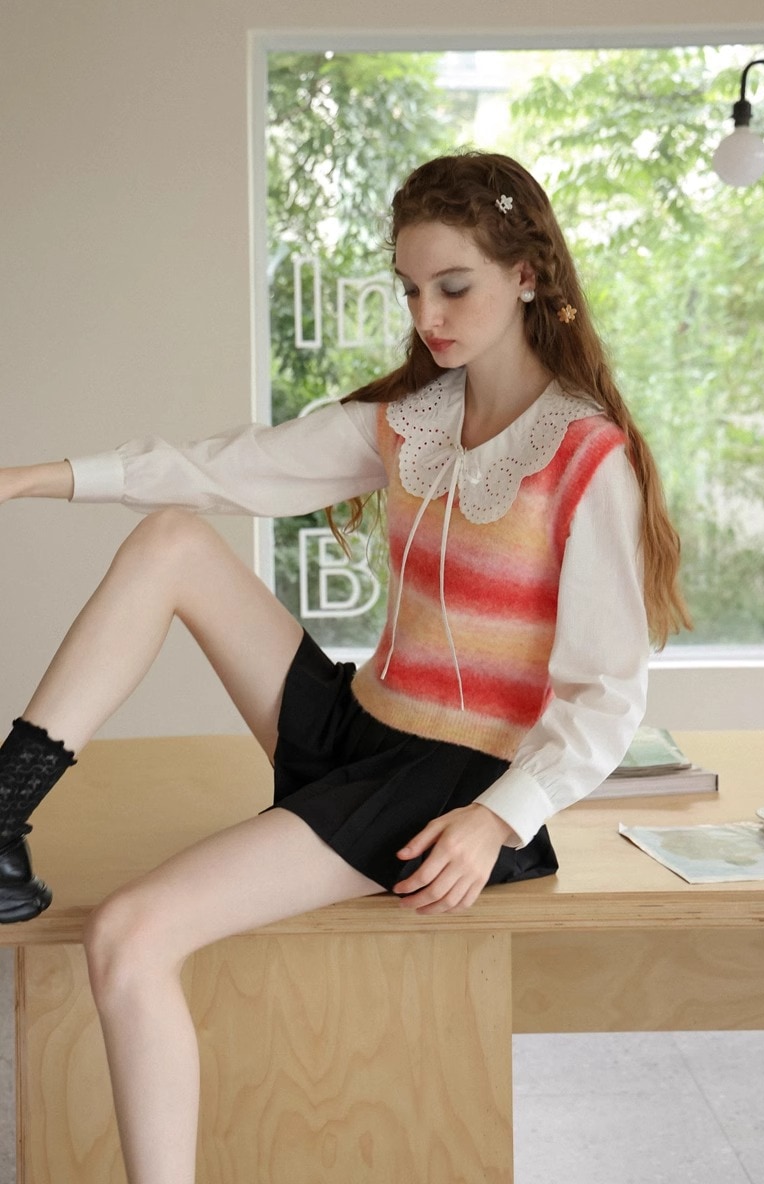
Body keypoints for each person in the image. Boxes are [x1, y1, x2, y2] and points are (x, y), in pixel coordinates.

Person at [0, 151, 689, 1182]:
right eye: (410, 290)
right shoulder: (414, 421)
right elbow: (225, 466)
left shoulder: (587, 458)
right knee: (175, 538)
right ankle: (3, 812)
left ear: (527, 274)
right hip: (361, 728)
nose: (427, 316)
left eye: (452, 286)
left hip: (448, 787)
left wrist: (499, 817)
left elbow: (605, 697)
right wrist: (28, 478)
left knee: (130, 933)